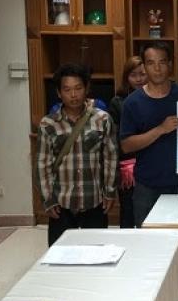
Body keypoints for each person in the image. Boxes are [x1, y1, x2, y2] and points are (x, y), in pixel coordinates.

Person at [35, 63, 118, 246]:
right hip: (61, 202)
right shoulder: (48, 124)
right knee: (60, 258)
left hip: (94, 199)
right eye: (67, 90)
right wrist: (48, 199)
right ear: (58, 92)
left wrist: (110, 192)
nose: (73, 95)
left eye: (78, 88)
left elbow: (110, 157)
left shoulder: (102, 119)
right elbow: (43, 164)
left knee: (96, 254)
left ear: (86, 88)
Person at [120, 41, 178, 227]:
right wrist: (160, 129)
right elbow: (126, 145)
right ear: (144, 66)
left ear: (170, 64)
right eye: (151, 63)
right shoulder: (133, 102)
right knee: (148, 238)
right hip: (147, 185)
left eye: (162, 62)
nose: (157, 68)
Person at [108, 57, 147, 228]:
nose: (139, 79)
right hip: (127, 167)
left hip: (150, 163)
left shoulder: (156, 97)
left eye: (142, 74)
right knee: (128, 211)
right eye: (133, 75)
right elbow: (116, 139)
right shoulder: (118, 102)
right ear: (126, 77)